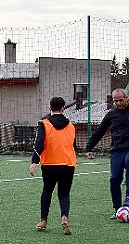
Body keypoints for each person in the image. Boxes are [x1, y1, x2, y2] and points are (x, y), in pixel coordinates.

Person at [29, 97, 76, 235]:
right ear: (63, 108)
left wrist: (34, 162)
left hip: (50, 164)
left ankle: (43, 221)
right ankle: (64, 217)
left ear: (50, 108)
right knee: (64, 193)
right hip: (68, 164)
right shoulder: (71, 125)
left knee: (47, 191)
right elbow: (73, 145)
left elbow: (39, 144)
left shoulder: (44, 123)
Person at [85, 88, 129, 218]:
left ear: (127, 98)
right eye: (116, 101)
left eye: (121, 100)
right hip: (117, 150)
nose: (119, 103)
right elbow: (99, 131)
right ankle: (117, 209)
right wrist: (89, 148)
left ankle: (128, 200)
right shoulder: (111, 114)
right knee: (114, 178)